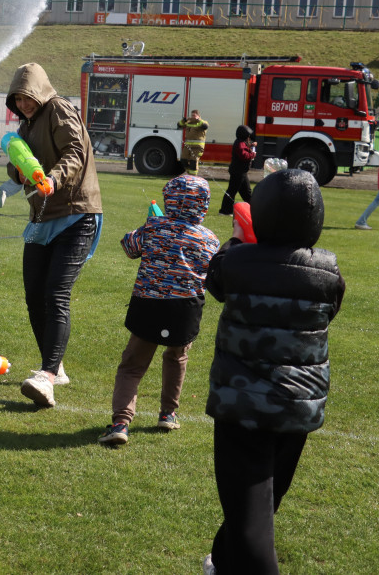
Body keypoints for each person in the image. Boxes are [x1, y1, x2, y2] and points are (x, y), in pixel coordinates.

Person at [202, 169, 345, 575]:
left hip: (243, 405)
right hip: (299, 407)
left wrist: (238, 238)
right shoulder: (329, 270)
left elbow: (215, 279)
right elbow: (330, 309)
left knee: (250, 511)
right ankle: (223, 562)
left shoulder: (236, 261)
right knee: (262, 501)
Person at [5, 63, 103, 408]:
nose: (24, 104)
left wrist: (54, 179)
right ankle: (55, 365)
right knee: (34, 295)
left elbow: (75, 152)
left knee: (56, 293)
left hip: (76, 214)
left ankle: (46, 377)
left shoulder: (59, 109)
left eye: (27, 97)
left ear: (40, 92)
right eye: (18, 99)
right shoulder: (25, 125)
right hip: (42, 219)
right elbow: (19, 162)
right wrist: (17, 172)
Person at [99, 174, 219, 445]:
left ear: (169, 200)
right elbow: (212, 271)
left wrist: (149, 225)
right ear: (203, 205)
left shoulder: (154, 227)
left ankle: (120, 423)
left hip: (149, 305)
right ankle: (168, 413)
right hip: (186, 309)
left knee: (132, 365)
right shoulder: (209, 238)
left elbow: (129, 247)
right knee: (177, 357)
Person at [218, 125, 256, 215]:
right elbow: (243, 155)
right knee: (232, 191)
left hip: (241, 172)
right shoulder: (239, 143)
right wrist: (253, 155)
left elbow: (245, 148)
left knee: (246, 192)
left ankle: (254, 209)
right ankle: (225, 211)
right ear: (244, 135)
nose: (249, 137)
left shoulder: (241, 142)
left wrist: (251, 145)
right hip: (238, 171)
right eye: (248, 135)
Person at [178, 110, 209, 175]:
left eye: (194, 115)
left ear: (198, 116)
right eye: (192, 115)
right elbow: (179, 125)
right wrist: (184, 120)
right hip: (187, 146)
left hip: (197, 147)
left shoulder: (202, 122)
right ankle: (189, 173)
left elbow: (205, 126)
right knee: (183, 160)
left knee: (193, 161)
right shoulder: (189, 122)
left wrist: (198, 120)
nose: (193, 117)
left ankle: (193, 176)